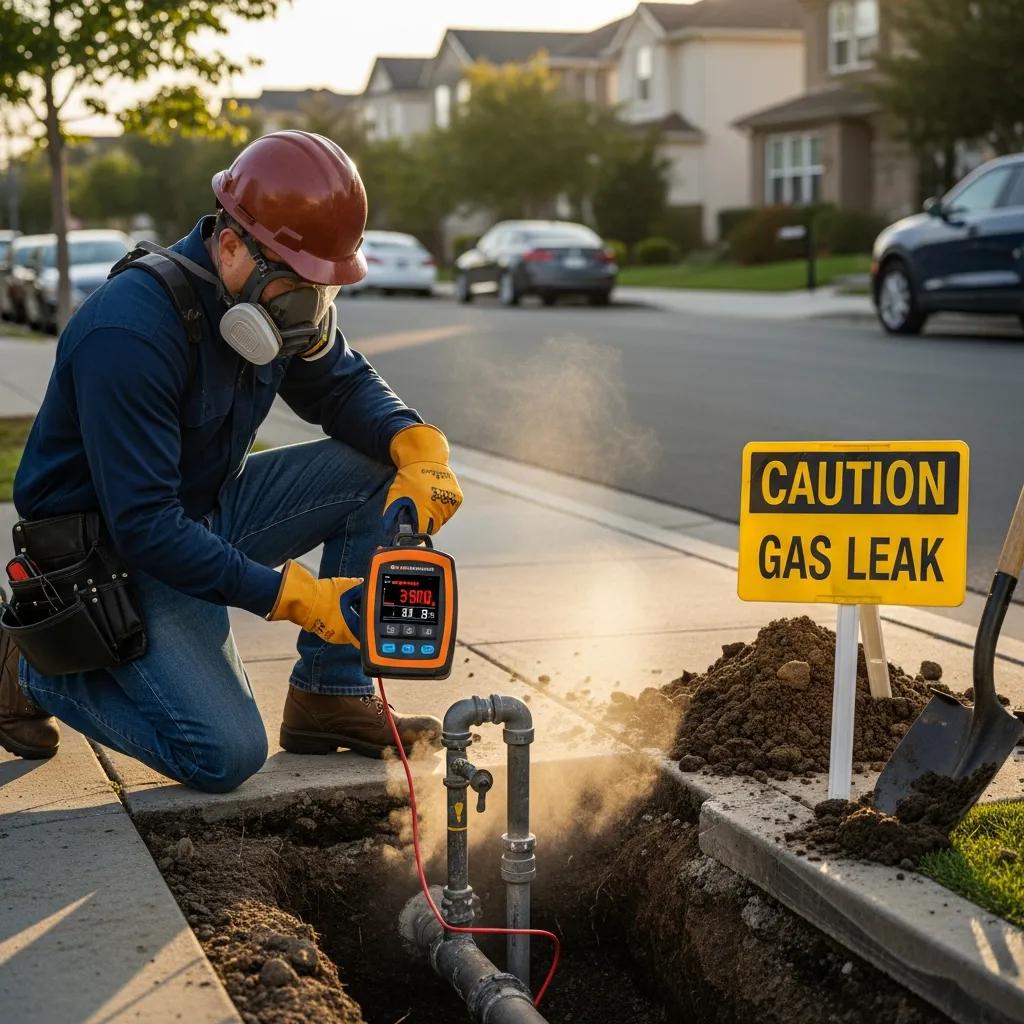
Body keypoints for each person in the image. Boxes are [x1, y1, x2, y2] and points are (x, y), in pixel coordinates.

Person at [0, 130, 463, 792]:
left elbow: (341, 384)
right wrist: (288, 595)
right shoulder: (129, 332)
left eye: (323, 292)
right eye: (299, 290)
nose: (311, 315)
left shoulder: (270, 300)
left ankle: (329, 693)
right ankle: (31, 665)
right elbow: (147, 527)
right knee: (223, 757)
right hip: (112, 561)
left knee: (381, 471)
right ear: (229, 245)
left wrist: (416, 443)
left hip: (202, 513)